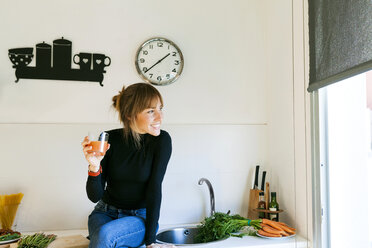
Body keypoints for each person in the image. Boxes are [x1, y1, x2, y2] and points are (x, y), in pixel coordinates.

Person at [81, 83, 174, 248]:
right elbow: (94, 196)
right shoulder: (110, 139)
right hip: (104, 214)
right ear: (130, 115)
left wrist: (150, 241)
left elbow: (154, 188)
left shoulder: (161, 141)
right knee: (107, 238)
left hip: (139, 219)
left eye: (161, 109)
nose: (160, 117)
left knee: (104, 236)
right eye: (151, 111)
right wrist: (94, 167)